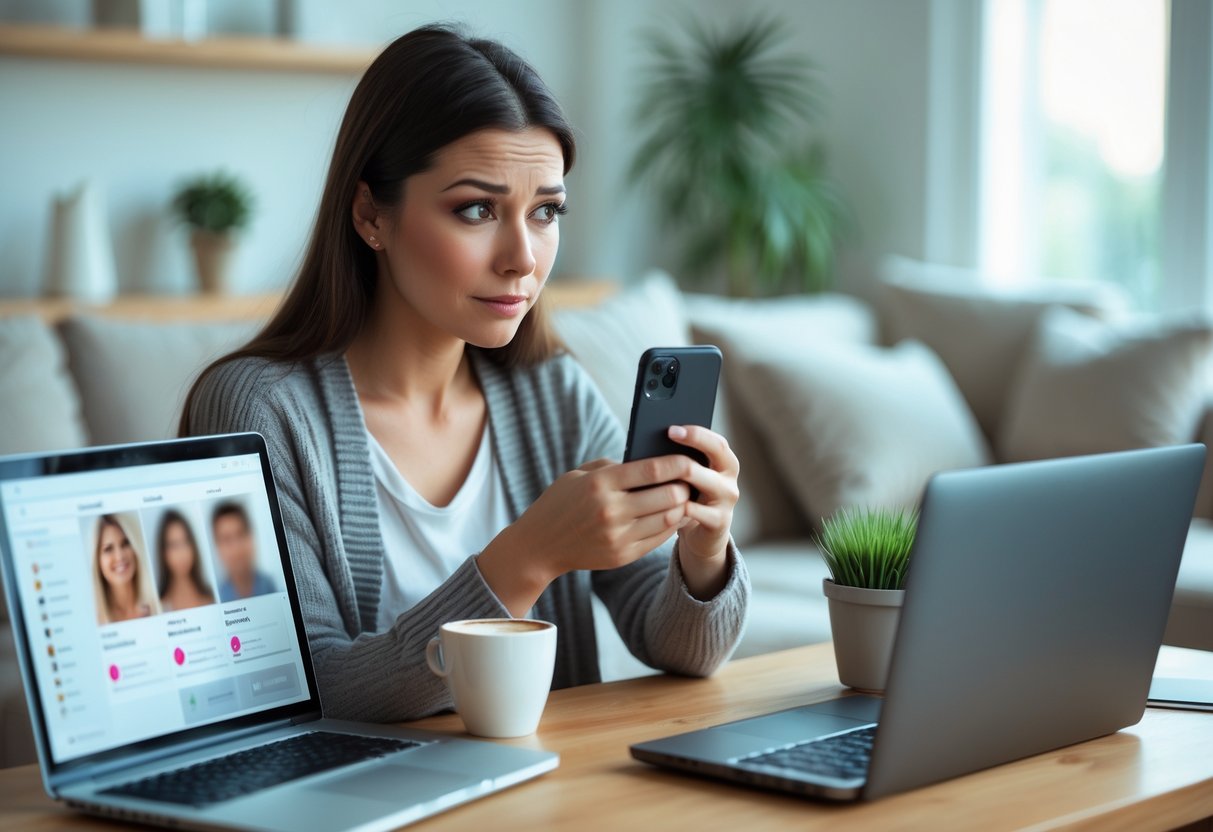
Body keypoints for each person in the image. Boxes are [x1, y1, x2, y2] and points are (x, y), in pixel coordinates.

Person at [180, 24, 750, 723]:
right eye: (476, 209)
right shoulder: (259, 408)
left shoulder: (551, 393)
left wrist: (704, 550)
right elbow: (307, 693)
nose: (522, 258)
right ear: (370, 215)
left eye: (544, 212)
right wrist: (527, 558)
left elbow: (683, 649)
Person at [92, 513, 158, 624]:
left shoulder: (158, 608)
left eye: (125, 543)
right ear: (97, 561)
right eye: (108, 549)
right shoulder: (95, 622)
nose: (119, 556)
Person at [211, 502, 276, 602]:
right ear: (217, 548)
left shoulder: (274, 586)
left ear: (251, 536)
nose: (236, 548)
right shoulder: (216, 598)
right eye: (226, 539)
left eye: (241, 534)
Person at [155, 509, 217, 612]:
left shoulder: (212, 595)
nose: (182, 553)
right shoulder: (158, 606)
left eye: (185, 542)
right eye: (174, 545)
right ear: (163, 553)